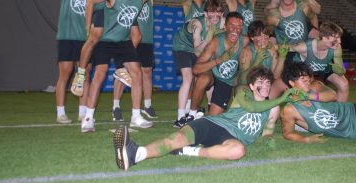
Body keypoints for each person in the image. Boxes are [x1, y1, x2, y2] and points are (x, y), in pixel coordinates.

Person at [113, 66, 307, 170]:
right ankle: (135, 153)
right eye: (260, 82)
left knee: (238, 151)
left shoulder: (272, 110)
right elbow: (253, 107)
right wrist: (281, 98)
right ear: (251, 86)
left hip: (232, 138)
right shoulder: (243, 94)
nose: (265, 86)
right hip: (212, 124)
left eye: (268, 82)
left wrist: (268, 141)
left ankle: (188, 152)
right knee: (176, 139)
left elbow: (268, 132)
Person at [80, 0, 165, 132]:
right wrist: (87, 27)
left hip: (124, 41)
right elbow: (90, 1)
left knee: (137, 73)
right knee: (99, 75)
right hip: (106, 40)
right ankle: (88, 118)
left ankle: (136, 116)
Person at [38, 0, 91, 124]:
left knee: (84, 76)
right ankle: (60, 113)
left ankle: (83, 113)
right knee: (65, 74)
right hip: (67, 37)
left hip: (86, 39)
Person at [111, 0, 165, 121]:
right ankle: (116, 107)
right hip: (129, 40)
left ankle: (147, 106)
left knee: (146, 72)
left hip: (146, 41)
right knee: (124, 74)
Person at [172, 0, 225, 127]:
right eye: (212, 13)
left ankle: (207, 110)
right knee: (188, 78)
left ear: (222, 14)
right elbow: (197, 52)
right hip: (183, 47)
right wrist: (208, 37)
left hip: (201, 49)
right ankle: (180, 117)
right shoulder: (197, 24)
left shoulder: (222, 22)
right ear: (205, 14)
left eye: (218, 13)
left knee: (209, 77)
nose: (215, 17)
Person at [188, 12, 248, 120]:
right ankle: (191, 114)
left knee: (213, 120)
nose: (235, 29)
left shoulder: (245, 41)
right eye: (232, 26)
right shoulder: (215, 42)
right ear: (225, 26)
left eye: (239, 26)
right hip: (212, 74)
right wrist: (219, 60)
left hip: (226, 81)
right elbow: (196, 69)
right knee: (203, 79)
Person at [271, 21, 349, 101]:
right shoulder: (305, 47)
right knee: (301, 86)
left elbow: (341, 70)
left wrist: (340, 70)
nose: (339, 41)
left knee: (344, 84)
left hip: (324, 66)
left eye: (340, 37)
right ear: (325, 37)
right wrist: (269, 46)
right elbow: (283, 47)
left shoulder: (337, 48)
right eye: (336, 38)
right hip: (303, 68)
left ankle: (341, 110)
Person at [237, 20, 286, 86]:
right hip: (249, 86)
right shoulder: (246, 52)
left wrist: (282, 58)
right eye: (259, 35)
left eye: (265, 34)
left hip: (265, 85)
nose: (264, 38)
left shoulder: (271, 50)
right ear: (252, 37)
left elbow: (275, 76)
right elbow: (242, 80)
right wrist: (257, 62)